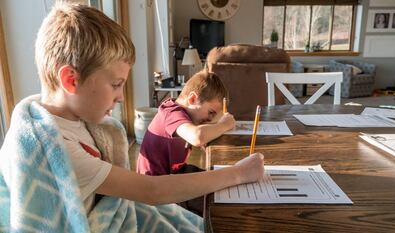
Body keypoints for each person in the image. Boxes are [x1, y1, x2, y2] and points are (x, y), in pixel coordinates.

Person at [0, 3, 264, 232]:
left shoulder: (73, 120)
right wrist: (238, 174)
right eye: (116, 84)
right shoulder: (55, 149)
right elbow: (151, 191)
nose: (121, 98)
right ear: (71, 80)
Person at [137, 70, 236, 176]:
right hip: (154, 182)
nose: (210, 119)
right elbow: (197, 137)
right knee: (218, 179)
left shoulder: (187, 114)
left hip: (173, 173)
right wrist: (224, 125)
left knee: (217, 175)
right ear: (192, 99)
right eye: (211, 112)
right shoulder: (171, 113)